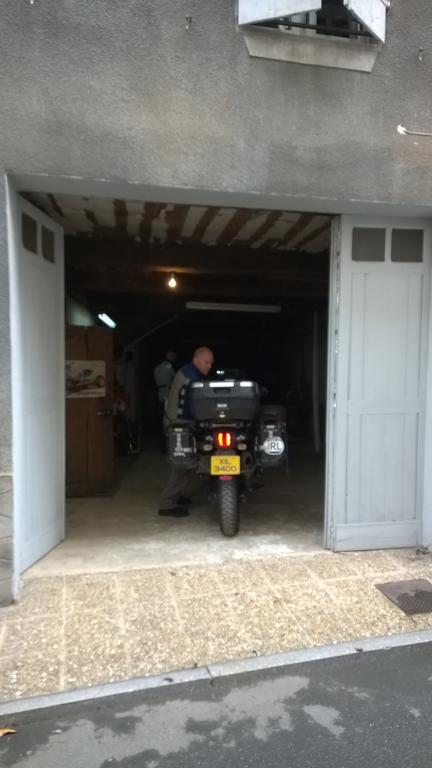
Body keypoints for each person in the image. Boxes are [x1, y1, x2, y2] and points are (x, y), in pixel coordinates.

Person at [158, 346, 214, 517]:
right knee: (182, 466)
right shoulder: (192, 378)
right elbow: (196, 405)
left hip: (180, 423)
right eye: (206, 362)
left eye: (211, 363)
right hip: (179, 425)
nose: (209, 366)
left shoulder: (189, 372)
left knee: (186, 464)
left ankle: (179, 495)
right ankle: (166, 504)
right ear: (196, 359)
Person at [153, 350, 177, 452]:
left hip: (160, 394)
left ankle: (163, 444)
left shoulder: (157, 368)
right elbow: (174, 379)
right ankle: (167, 444)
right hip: (168, 395)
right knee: (168, 419)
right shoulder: (169, 367)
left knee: (161, 418)